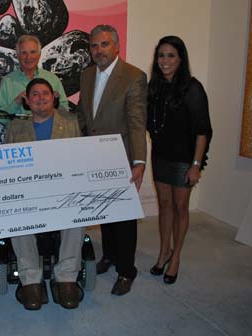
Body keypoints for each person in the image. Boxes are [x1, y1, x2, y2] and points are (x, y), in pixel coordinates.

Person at [75, 25, 147, 296]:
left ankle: (127, 270)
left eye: (104, 44)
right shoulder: (86, 75)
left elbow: (137, 122)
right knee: (104, 212)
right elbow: (84, 114)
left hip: (122, 157)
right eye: (94, 45)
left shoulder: (134, 76)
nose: (99, 50)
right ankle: (109, 256)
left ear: (117, 46)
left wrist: (138, 161)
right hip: (94, 156)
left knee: (125, 217)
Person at [6, 78, 84, 310]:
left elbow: (82, 157)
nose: (40, 98)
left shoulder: (71, 123)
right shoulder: (15, 128)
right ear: (27, 102)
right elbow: (8, 169)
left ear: (54, 97)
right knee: (17, 213)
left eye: (45, 94)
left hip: (63, 189)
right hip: (29, 192)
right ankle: (30, 279)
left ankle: (67, 277)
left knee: (77, 213)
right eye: (35, 95)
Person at [147, 36, 212, 284]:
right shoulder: (155, 87)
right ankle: (164, 252)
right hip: (160, 156)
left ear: (181, 58)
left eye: (170, 55)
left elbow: (203, 131)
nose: (165, 61)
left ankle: (176, 258)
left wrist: (196, 165)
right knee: (164, 206)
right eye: (161, 55)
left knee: (179, 207)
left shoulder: (192, 88)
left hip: (185, 159)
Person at [0, 35, 69, 116]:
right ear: (17, 55)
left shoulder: (52, 79)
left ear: (39, 54)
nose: (28, 57)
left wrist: (55, 102)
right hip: (19, 128)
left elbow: (65, 112)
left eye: (33, 52)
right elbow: (0, 117)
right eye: (24, 53)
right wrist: (16, 102)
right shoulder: (7, 82)